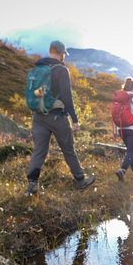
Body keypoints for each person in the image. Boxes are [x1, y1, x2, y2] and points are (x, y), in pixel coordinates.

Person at [25, 40, 95, 196]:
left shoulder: (38, 67)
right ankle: (80, 180)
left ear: (50, 50)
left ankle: (32, 185)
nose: (64, 56)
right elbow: (66, 96)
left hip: (38, 116)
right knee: (68, 149)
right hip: (57, 117)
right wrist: (75, 119)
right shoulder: (61, 70)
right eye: (64, 54)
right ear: (61, 53)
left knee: (39, 151)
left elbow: (36, 93)